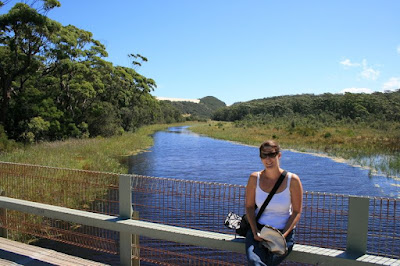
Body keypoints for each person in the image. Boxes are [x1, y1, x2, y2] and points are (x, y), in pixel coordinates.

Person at [245, 140, 303, 265]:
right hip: (259, 231)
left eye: (271, 154)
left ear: (279, 155)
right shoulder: (254, 178)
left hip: (283, 233)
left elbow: (297, 212)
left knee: (270, 261)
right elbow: (249, 207)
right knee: (255, 261)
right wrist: (255, 232)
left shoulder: (292, 180)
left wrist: (281, 237)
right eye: (263, 155)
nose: (268, 159)